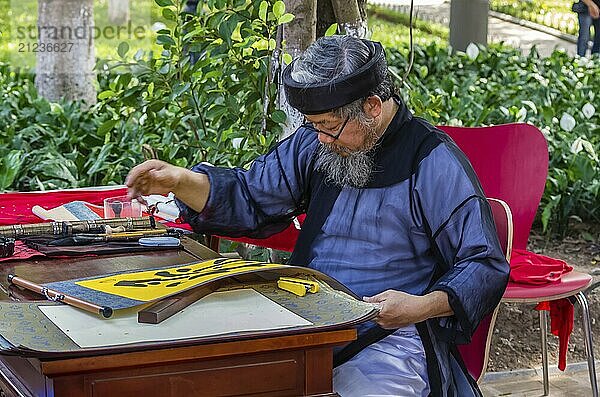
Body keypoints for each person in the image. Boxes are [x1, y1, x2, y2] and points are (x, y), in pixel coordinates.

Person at [126, 35, 510, 397]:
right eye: (314, 126)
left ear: (372, 108)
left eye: (329, 127)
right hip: (306, 321)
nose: (320, 139)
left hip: (389, 336)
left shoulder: (432, 161)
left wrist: (420, 306)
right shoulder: (319, 141)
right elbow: (251, 195)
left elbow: (483, 264)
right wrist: (178, 180)